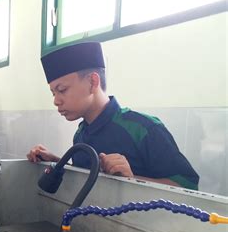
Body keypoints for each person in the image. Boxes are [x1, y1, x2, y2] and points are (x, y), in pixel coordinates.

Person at [27, 42, 199, 190]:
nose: (56, 101)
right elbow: (91, 178)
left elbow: (189, 187)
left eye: (62, 90)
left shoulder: (143, 128)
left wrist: (133, 180)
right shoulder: (81, 135)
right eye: (53, 93)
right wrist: (58, 161)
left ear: (93, 82)